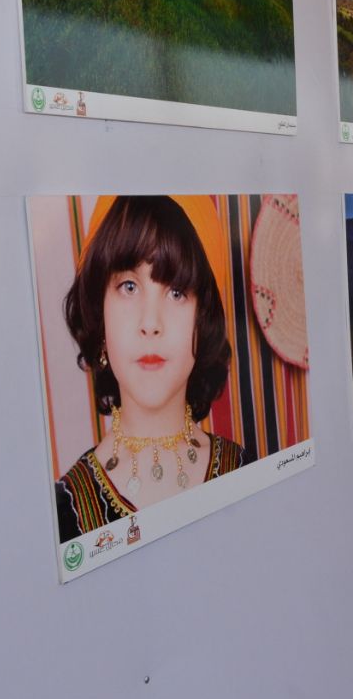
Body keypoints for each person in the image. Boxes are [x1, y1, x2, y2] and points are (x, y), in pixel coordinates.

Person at [55, 196, 244, 542]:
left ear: (204, 320)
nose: (151, 324)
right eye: (129, 287)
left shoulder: (247, 471)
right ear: (99, 315)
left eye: (176, 292)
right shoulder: (62, 513)